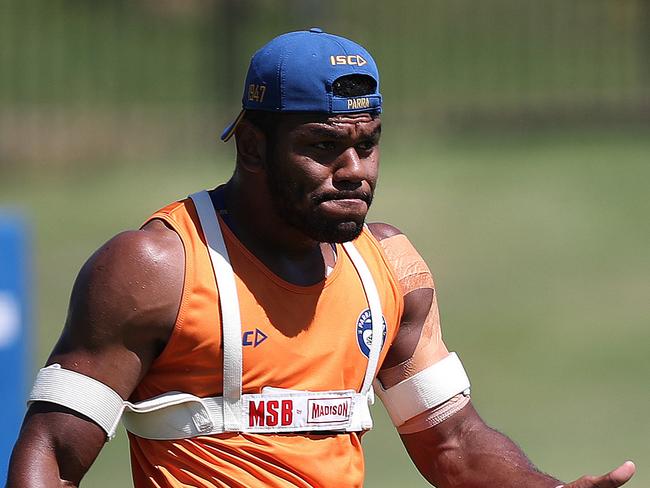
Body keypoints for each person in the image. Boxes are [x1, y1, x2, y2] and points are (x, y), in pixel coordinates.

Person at [8, 29, 635, 488]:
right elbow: (53, 458)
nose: (354, 172)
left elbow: (454, 443)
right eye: (322, 147)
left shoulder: (390, 270)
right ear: (253, 146)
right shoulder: (156, 269)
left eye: (367, 145)